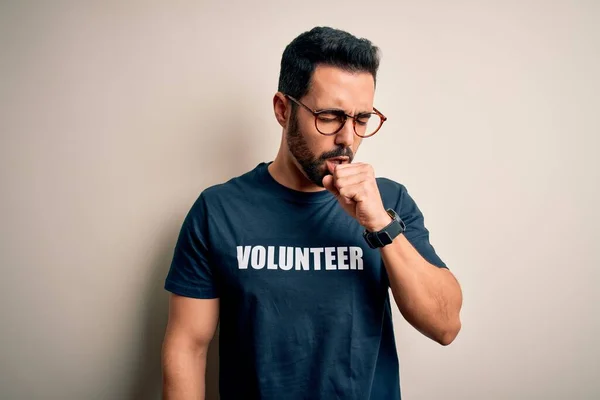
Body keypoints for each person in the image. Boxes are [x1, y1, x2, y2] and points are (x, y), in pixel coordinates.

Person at [161, 26, 463, 400]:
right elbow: (187, 348)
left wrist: (380, 225)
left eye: (361, 119)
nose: (347, 138)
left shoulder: (389, 202)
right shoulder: (218, 210)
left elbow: (445, 325)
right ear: (283, 109)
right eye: (330, 116)